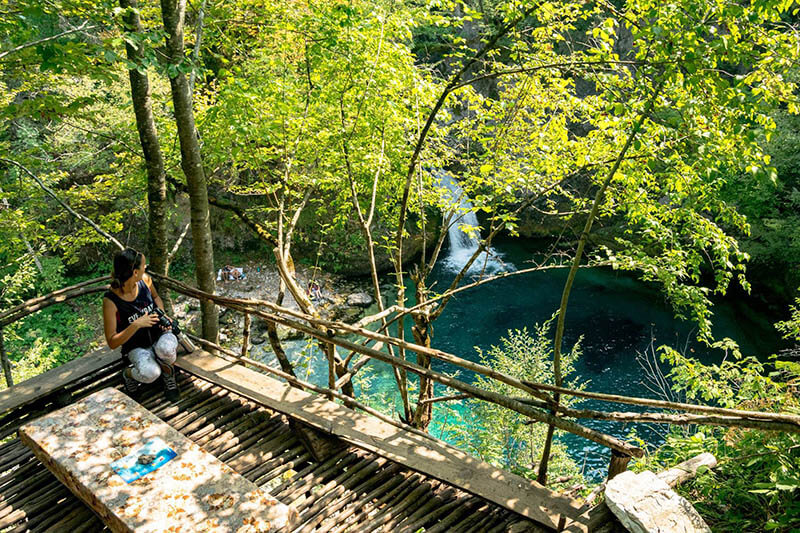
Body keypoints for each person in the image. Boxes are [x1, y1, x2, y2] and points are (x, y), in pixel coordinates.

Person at [102, 248, 180, 401]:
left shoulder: (145, 280)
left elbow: (157, 298)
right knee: (150, 373)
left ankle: (167, 373)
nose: (146, 267)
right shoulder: (110, 301)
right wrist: (136, 324)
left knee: (166, 349)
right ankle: (128, 375)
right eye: (144, 265)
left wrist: (162, 314)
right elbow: (112, 342)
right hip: (136, 346)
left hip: (159, 334)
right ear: (135, 272)